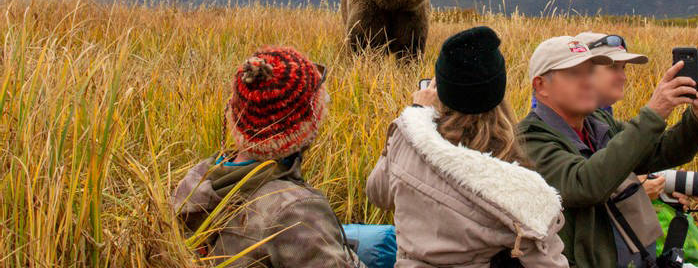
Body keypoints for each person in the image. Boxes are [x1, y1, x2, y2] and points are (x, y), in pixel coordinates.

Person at [366, 26, 569, 268]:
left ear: (441, 89)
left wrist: (416, 114)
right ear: (498, 89)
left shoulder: (409, 142)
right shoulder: (521, 186)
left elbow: (377, 193)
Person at [517, 34, 698, 268]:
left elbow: (662, 151)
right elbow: (585, 184)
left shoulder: (597, 123)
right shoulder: (530, 139)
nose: (587, 82)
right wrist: (654, 113)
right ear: (541, 86)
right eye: (574, 74)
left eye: (590, 72)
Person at [172, 46, 363, 268]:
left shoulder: (198, 179)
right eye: (322, 99)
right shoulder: (294, 211)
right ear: (306, 126)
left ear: (235, 116)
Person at [581, 31, 698, 268]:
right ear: (582, 71)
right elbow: (583, 188)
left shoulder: (599, 121)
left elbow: (656, 153)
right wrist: (636, 193)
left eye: (624, 69)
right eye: (614, 68)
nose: (623, 77)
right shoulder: (548, 132)